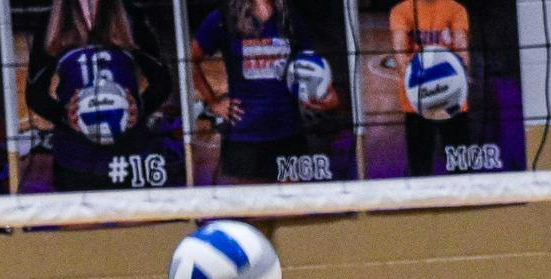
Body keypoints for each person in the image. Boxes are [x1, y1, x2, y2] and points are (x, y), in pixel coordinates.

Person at [25, 0, 171, 192]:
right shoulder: (51, 21)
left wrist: (140, 108)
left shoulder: (130, 15)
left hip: (130, 156)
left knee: (136, 220)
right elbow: (35, 94)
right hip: (74, 159)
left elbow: (162, 83)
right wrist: (64, 115)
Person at [190, 0, 337, 184]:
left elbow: (310, 64)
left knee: (291, 209)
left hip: (287, 132)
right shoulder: (225, 17)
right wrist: (213, 103)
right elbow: (191, 59)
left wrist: (326, 93)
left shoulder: (289, 17)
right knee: (256, 210)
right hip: (245, 136)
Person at [387, 0, 467, 176]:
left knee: (460, 169)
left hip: (453, 100)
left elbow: (462, 48)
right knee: (420, 169)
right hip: (417, 101)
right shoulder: (401, 11)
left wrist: (461, 75)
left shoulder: (455, 9)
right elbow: (399, 53)